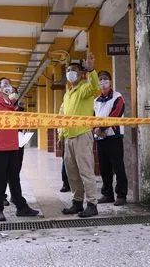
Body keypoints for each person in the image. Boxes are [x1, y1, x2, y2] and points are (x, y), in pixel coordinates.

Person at [0, 78, 39, 221]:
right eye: (4, 84)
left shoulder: (11, 105)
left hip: (12, 146)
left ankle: (21, 207)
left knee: (14, 178)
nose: (8, 86)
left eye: (9, 84)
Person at [57, 52, 100, 218]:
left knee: (86, 171)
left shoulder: (84, 89)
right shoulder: (68, 93)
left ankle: (92, 204)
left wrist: (92, 70)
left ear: (81, 73)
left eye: (73, 69)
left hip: (82, 135)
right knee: (72, 173)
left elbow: (95, 88)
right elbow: (62, 117)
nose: (70, 72)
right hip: (68, 137)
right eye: (68, 70)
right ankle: (77, 202)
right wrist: (61, 136)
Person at [93, 70, 128, 206]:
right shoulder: (96, 100)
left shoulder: (117, 97)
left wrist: (101, 129)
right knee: (104, 168)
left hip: (114, 137)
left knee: (118, 167)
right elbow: (92, 117)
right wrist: (95, 130)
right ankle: (107, 194)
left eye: (105, 79)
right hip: (100, 139)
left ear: (110, 81)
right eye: (100, 79)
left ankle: (121, 195)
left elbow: (116, 114)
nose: (103, 82)